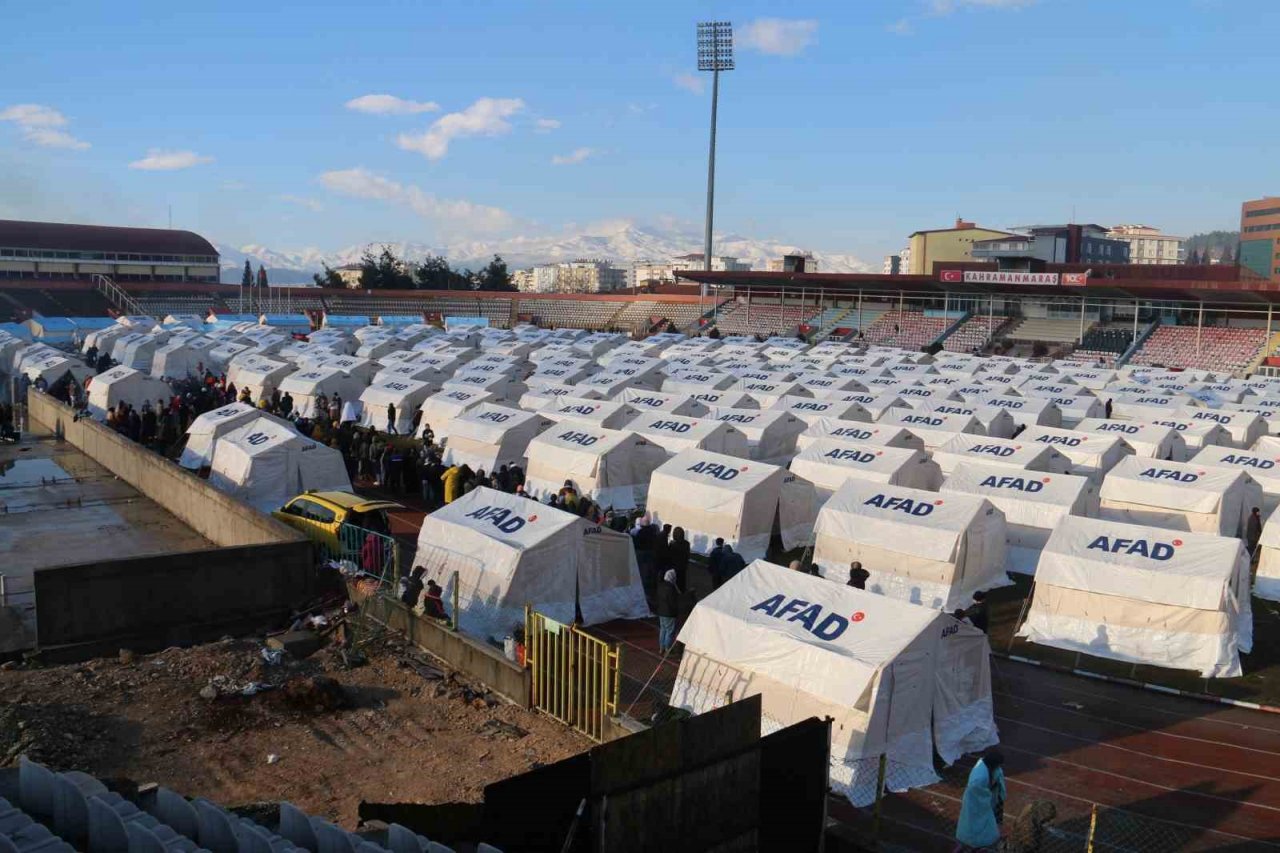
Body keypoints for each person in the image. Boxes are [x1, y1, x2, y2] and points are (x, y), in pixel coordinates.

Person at [955, 749, 1006, 851]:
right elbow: (975, 790)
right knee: (977, 824)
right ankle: (977, 844)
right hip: (975, 804)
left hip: (987, 801)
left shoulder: (990, 768)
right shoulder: (979, 778)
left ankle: (970, 843)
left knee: (975, 824)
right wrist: (988, 799)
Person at [655, 570, 681, 655]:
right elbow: (673, 602)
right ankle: (668, 649)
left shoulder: (660, 586)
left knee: (663, 630)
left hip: (661, 612)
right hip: (669, 613)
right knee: (670, 631)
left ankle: (661, 648)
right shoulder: (671, 588)